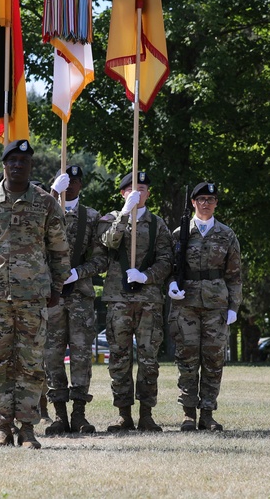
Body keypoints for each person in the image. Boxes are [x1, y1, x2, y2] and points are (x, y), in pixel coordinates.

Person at [0, 139, 70, 449]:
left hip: (33, 295)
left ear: (30, 167)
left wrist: (57, 287)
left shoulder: (46, 202)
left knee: (31, 364)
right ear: (4, 165)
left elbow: (59, 250)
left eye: (23, 162)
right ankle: (1, 428)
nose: (17, 166)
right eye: (12, 161)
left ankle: (27, 429)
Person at [97, 170, 174, 432]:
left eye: (142, 189)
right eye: (132, 189)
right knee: (119, 357)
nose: (137, 193)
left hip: (148, 299)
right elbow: (109, 242)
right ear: (123, 193)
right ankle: (123, 414)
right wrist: (123, 214)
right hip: (118, 299)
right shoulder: (109, 219)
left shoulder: (157, 224)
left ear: (148, 194)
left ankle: (146, 413)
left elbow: (166, 260)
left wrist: (146, 276)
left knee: (149, 357)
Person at [168, 181, 242, 432]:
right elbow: (168, 267)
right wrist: (171, 287)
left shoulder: (226, 234)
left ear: (216, 203)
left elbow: (234, 275)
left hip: (216, 304)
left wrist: (234, 306)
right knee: (187, 358)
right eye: (201, 199)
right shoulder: (179, 234)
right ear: (193, 203)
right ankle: (188, 413)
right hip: (186, 304)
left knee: (213, 359)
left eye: (211, 200)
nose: (206, 204)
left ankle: (207, 413)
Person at [44, 165, 107, 436]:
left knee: (81, 356)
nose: (70, 186)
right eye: (65, 182)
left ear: (81, 185)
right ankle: (59, 415)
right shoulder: (45, 211)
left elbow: (101, 258)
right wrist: (50, 195)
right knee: (52, 354)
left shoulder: (91, 217)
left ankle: (79, 413)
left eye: (75, 181)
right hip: (51, 294)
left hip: (80, 295)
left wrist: (78, 273)